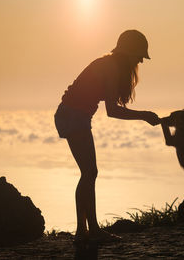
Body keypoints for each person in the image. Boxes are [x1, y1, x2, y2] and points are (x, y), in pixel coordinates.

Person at [54, 30, 160, 244]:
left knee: (88, 173)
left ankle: (85, 230)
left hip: (74, 115)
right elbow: (113, 111)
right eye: (139, 54)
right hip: (73, 115)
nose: (141, 59)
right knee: (89, 172)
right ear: (128, 51)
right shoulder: (111, 67)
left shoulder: (111, 66)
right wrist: (144, 116)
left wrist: (144, 116)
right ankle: (87, 231)